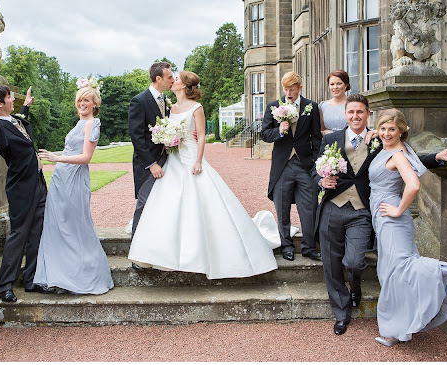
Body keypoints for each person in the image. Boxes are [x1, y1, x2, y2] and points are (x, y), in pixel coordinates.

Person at [312, 94, 447, 336]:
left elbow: (401, 156)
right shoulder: (331, 139)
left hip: (363, 210)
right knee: (331, 264)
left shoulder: (378, 139)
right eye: (351, 112)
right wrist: (322, 179)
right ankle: (341, 314)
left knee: (354, 261)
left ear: (367, 114)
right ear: (345, 114)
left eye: (360, 112)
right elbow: (315, 168)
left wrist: (435, 158)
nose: (355, 116)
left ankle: (356, 284)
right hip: (333, 206)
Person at [127, 71, 278, 279]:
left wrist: (198, 161)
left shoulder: (196, 108)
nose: (174, 80)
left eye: (177, 79)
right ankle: (160, 253)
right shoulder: (171, 108)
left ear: (184, 85)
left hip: (191, 160)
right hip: (174, 160)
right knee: (167, 205)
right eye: (172, 77)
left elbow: (201, 137)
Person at [369, 109, 447, 346]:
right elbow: (414, 160)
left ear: (402, 131)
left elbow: (414, 185)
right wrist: (437, 155)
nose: (386, 133)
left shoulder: (398, 155)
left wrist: (398, 210)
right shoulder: (394, 148)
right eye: (383, 128)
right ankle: (396, 330)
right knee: (390, 272)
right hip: (384, 217)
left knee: (403, 267)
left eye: (392, 129)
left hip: (391, 217)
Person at [33, 83, 114, 295]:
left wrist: (57, 158)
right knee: (58, 225)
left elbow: (86, 157)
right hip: (61, 178)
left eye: (86, 100)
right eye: (79, 99)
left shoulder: (92, 124)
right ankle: (61, 275)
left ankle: (82, 275)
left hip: (74, 179)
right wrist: (57, 157)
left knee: (74, 225)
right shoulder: (79, 124)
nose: (82, 103)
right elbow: (73, 148)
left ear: (95, 104)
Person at [0, 85, 56, 302]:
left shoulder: (14, 119)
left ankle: (31, 280)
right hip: (20, 187)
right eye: (9, 97)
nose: (13, 99)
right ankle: (5, 286)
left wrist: (25, 107)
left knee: (37, 233)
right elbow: (0, 143)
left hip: (38, 182)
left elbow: (19, 124)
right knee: (19, 234)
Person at [260, 71, 322, 262]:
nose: (288, 93)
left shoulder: (311, 107)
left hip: (305, 165)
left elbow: (316, 138)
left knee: (309, 207)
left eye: (292, 89)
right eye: (286, 89)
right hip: (282, 166)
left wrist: (314, 163)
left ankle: (309, 247)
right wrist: (278, 131)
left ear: (300, 88)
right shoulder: (273, 106)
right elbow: (264, 134)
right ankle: (286, 245)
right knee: (282, 206)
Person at [128, 62, 174, 245]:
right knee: (144, 204)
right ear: (158, 79)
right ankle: (136, 251)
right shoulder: (139, 101)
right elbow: (137, 137)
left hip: (166, 159)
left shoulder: (165, 101)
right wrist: (151, 164)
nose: (173, 79)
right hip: (147, 164)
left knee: (160, 205)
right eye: (169, 77)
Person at [319, 70, 349, 135]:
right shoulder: (323, 106)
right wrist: (323, 133)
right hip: (329, 142)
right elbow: (320, 130)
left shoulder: (354, 104)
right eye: (332, 84)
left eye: (339, 83)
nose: (335, 87)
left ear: (346, 84)